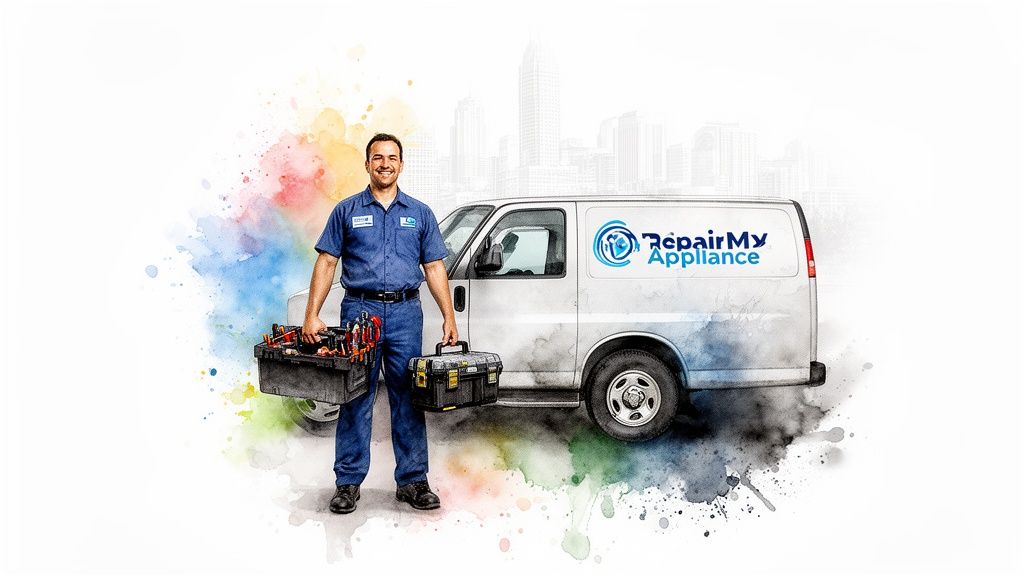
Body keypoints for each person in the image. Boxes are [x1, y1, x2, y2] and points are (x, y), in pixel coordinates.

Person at [301, 133, 458, 514]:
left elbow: (434, 266)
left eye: (392, 157)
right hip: (360, 313)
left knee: (409, 395)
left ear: (401, 165)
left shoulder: (419, 213)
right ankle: (348, 483)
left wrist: (449, 317)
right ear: (367, 164)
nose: (385, 163)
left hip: (406, 314)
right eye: (378, 157)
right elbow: (326, 262)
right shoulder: (346, 211)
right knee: (355, 396)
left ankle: (413, 481)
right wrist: (311, 314)